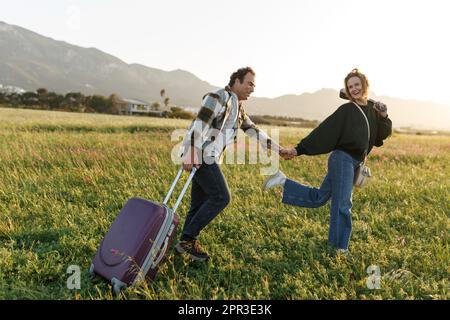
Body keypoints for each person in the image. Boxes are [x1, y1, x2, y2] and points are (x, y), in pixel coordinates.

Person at [263, 68, 392, 254]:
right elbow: (324, 131)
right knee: (343, 204)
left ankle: (282, 181)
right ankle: (339, 248)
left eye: (357, 84)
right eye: (350, 86)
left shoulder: (373, 109)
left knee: (320, 198)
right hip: (342, 159)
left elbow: (382, 134)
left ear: (364, 85)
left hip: (355, 162)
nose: (354, 88)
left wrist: (384, 116)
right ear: (347, 91)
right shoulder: (347, 109)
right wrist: (299, 149)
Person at [176, 67, 285, 261]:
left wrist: (279, 149)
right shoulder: (220, 96)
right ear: (236, 81)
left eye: (254, 85)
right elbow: (201, 121)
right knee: (221, 197)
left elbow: (255, 131)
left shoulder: (239, 110)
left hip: (209, 157)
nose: (252, 88)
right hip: (202, 154)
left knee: (198, 204)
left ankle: (185, 244)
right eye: (249, 83)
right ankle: (187, 239)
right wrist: (191, 149)